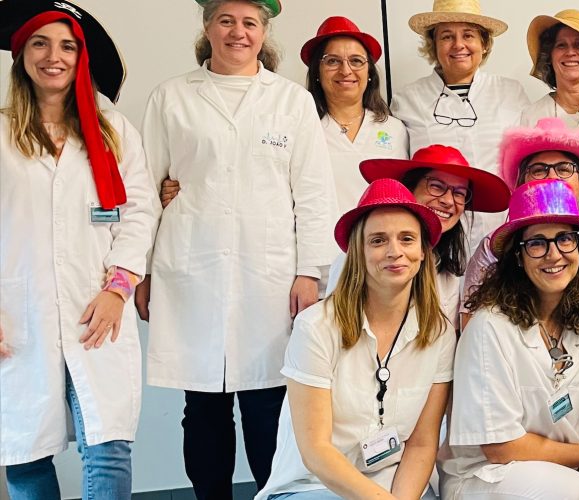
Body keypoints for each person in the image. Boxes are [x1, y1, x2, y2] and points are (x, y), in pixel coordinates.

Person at [139, 0, 336, 496]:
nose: (237, 32)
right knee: (202, 405)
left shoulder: (291, 101)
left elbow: (314, 195)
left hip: (269, 277)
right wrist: (142, 272)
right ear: (207, 27)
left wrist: (309, 272)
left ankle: (273, 494)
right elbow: (145, 190)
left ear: (264, 32)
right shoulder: (171, 97)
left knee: (268, 403)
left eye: (250, 23)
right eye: (225, 20)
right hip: (192, 272)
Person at [0, 2, 159, 497]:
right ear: (21, 55)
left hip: (96, 308)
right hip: (18, 314)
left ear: (81, 58)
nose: (54, 57)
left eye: (67, 46)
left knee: (108, 449)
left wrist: (118, 288)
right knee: (25, 453)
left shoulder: (113, 131)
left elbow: (140, 211)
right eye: (41, 44)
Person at [158, 16, 409, 287]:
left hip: (382, 262)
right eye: (332, 61)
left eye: (357, 61)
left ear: (370, 71)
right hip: (319, 264)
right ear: (316, 71)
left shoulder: (394, 130)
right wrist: (189, 185)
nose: (345, 70)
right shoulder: (293, 120)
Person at [255, 179, 454, 499]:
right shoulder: (316, 328)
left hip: (394, 483)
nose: (395, 251)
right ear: (357, 252)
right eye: (378, 240)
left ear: (422, 251)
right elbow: (317, 451)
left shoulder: (438, 333)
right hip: (314, 486)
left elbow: (421, 443)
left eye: (407, 239)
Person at [440, 179, 579, 499]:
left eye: (565, 239)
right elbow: (500, 447)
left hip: (562, 474)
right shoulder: (489, 328)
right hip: (487, 477)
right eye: (537, 243)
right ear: (518, 256)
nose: (553, 254)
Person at [461, 118, 579, 328]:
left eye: (564, 169)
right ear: (521, 183)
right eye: (539, 170)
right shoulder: (493, 247)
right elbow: (472, 326)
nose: (552, 177)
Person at [394, 0, 528, 253]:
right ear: (434, 44)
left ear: (484, 43)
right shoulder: (408, 99)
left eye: (468, 35)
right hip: (433, 235)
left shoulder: (510, 93)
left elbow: (526, 167)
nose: (458, 45)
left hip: (501, 232)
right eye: (447, 36)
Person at [346, 145, 511, 327]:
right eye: (436, 186)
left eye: (459, 193)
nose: (448, 201)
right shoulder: (367, 257)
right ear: (409, 188)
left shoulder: (449, 272)